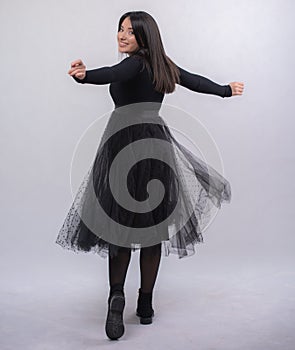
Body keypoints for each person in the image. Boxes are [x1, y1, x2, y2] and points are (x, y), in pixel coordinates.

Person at [56, 10, 244, 341]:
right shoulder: (161, 63)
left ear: (145, 36)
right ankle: (145, 304)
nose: (122, 35)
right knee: (152, 225)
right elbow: (195, 81)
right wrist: (225, 90)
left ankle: (116, 295)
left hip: (120, 144)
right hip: (154, 145)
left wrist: (84, 76)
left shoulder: (135, 62)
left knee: (119, 223)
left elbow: (113, 72)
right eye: (120, 29)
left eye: (130, 30)